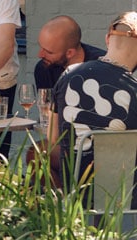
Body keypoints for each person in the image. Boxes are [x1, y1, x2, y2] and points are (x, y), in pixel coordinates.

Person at [48, 12, 137, 188]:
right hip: (122, 199)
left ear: (107, 39)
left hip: (74, 192)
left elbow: (52, 138)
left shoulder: (68, 74)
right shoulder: (134, 89)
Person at [34, 15, 105, 90]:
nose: (40, 55)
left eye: (49, 52)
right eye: (41, 47)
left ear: (70, 53)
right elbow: (46, 101)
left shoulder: (102, 68)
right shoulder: (44, 68)